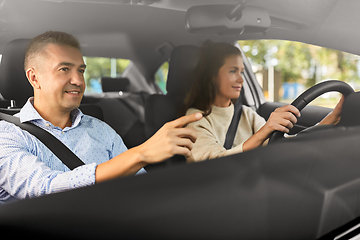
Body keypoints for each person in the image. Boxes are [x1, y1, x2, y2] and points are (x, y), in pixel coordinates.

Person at [0, 31, 202, 203]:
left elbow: (139, 190)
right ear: (34, 78)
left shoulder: (101, 130)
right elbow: (45, 189)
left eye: (81, 70)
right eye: (64, 69)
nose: (78, 80)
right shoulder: (8, 135)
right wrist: (140, 154)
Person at [182, 41, 344, 161]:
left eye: (242, 72)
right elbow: (214, 163)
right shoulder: (195, 117)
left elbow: (282, 145)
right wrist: (265, 130)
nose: (241, 79)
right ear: (211, 76)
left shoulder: (246, 113)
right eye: (233, 71)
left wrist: (332, 118)